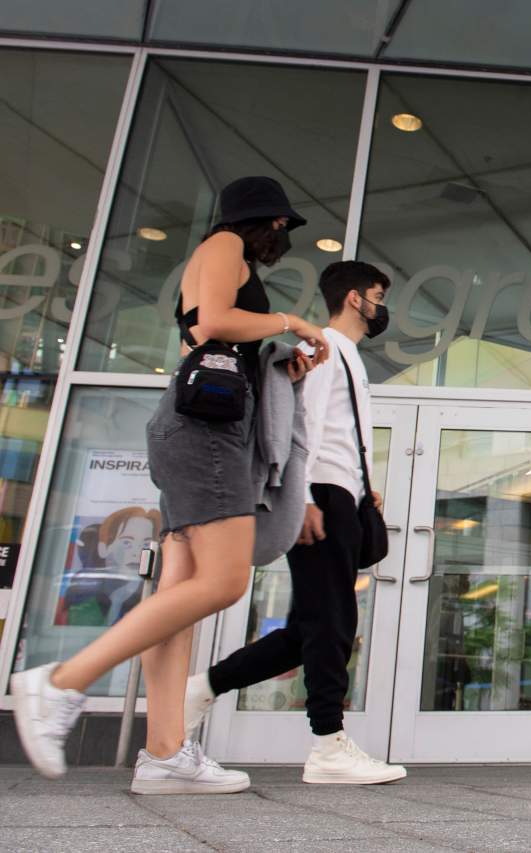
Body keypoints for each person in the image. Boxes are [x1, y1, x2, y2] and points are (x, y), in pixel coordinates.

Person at [10, 176, 329, 794]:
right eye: (282, 227)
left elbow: (215, 335)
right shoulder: (224, 246)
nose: (283, 240)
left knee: (180, 598)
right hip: (206, 437)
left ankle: (164, 754)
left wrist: (280, 361)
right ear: (264, 220)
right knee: (224, 581)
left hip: (203, 432)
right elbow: (214, 320)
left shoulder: (226, 257)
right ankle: (60, 683)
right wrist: (292, 320)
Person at [184, 260, 406, 785]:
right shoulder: (324, 348)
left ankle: (203, 688)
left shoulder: (346, 353)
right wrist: (302, 495)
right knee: (333, 623)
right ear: (356, 298)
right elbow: (296, 422)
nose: (381, 306)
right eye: (378, 295)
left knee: (312, 626)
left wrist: (360, 483)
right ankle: (328, 746)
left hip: (339, 493)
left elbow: (335, 429)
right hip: (320, 495)